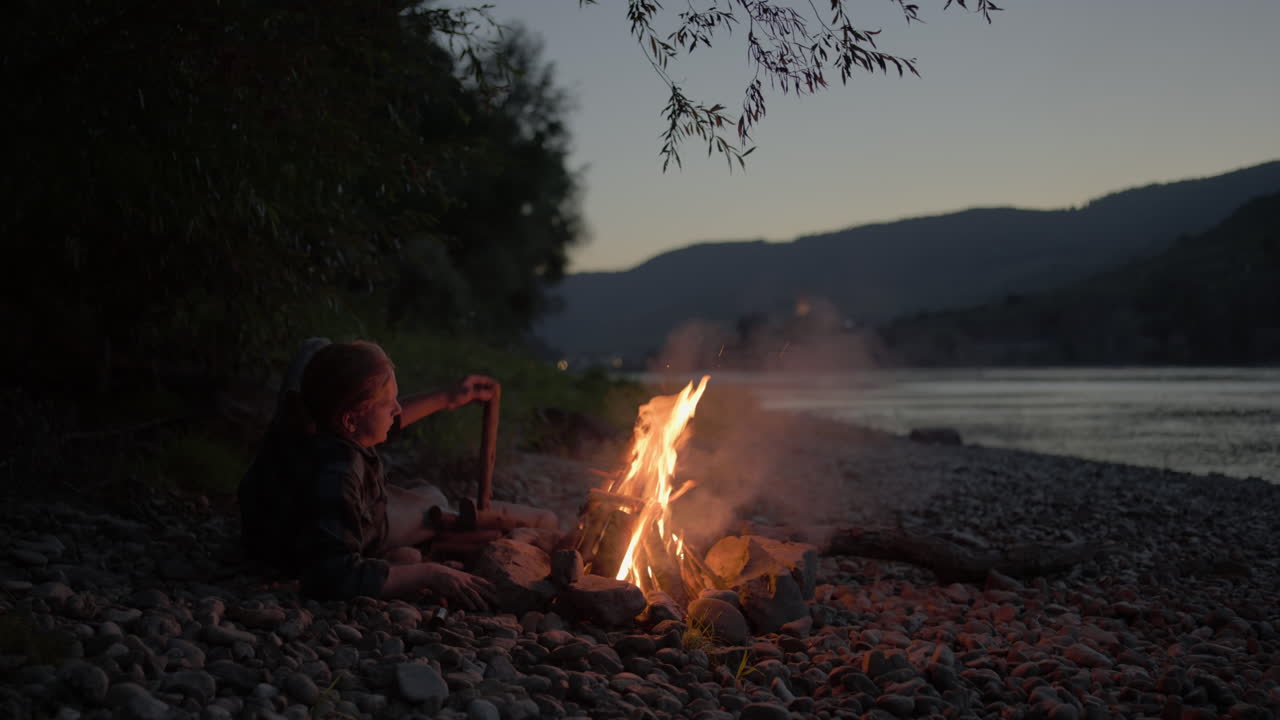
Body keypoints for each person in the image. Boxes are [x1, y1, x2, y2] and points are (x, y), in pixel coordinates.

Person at [238, 339, 549, 610]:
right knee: (433, 501)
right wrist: (429, 573)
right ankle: (542, 524)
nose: (399, 409)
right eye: (389, 405)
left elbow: (373, 417)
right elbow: (334, 576)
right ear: (349, 420)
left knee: (315, 344)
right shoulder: (338, 473)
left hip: (280, 513)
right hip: (359, 524)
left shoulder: (307, 414)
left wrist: (448, 397)